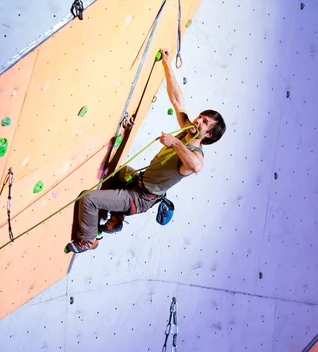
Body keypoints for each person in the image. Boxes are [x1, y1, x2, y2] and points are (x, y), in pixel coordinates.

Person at [66, 47, 226, 254]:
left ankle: (88, 241)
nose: (197, 121)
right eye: (200, 117)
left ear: (210, 135)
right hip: (139, 179)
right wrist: (167, 65)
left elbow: (196, 167)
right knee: (117, 170)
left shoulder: (194, 155)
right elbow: (177, 100)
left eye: (204, 123)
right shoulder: (188, 129)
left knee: (87, 200)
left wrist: (175, 144)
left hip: (140, 197)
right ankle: (116, 218)